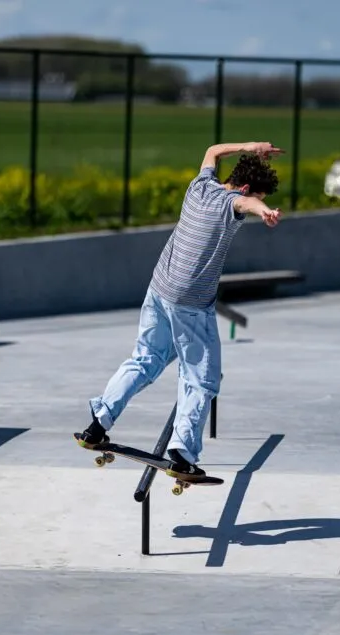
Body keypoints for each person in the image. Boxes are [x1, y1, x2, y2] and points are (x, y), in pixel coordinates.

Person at [75, 141, 283, 482]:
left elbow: (213, 151)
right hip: (191, 302)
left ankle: (97, 425)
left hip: (159, 289)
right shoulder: (232, 202)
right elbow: (244, 202)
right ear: (246, 188)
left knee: (144, 359)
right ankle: (182, 454)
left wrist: (249, 146)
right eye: (257, 194)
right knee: (201, 378)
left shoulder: (200, 185)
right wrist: (264, 210)